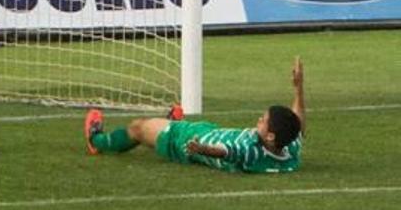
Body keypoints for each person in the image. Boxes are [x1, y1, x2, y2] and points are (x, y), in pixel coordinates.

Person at [84, 57, 305, 174]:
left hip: (186, 142)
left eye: (263, 121)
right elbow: (298, 125)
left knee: (138, 128)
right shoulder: (289, 152)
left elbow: (225, 152)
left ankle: (97, 141)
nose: (259, 120)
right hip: (208, 131)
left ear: (270, 137)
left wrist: (201, 149)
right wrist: (298, 88)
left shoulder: (250, 153)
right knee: (157, 126)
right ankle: (173, 121)